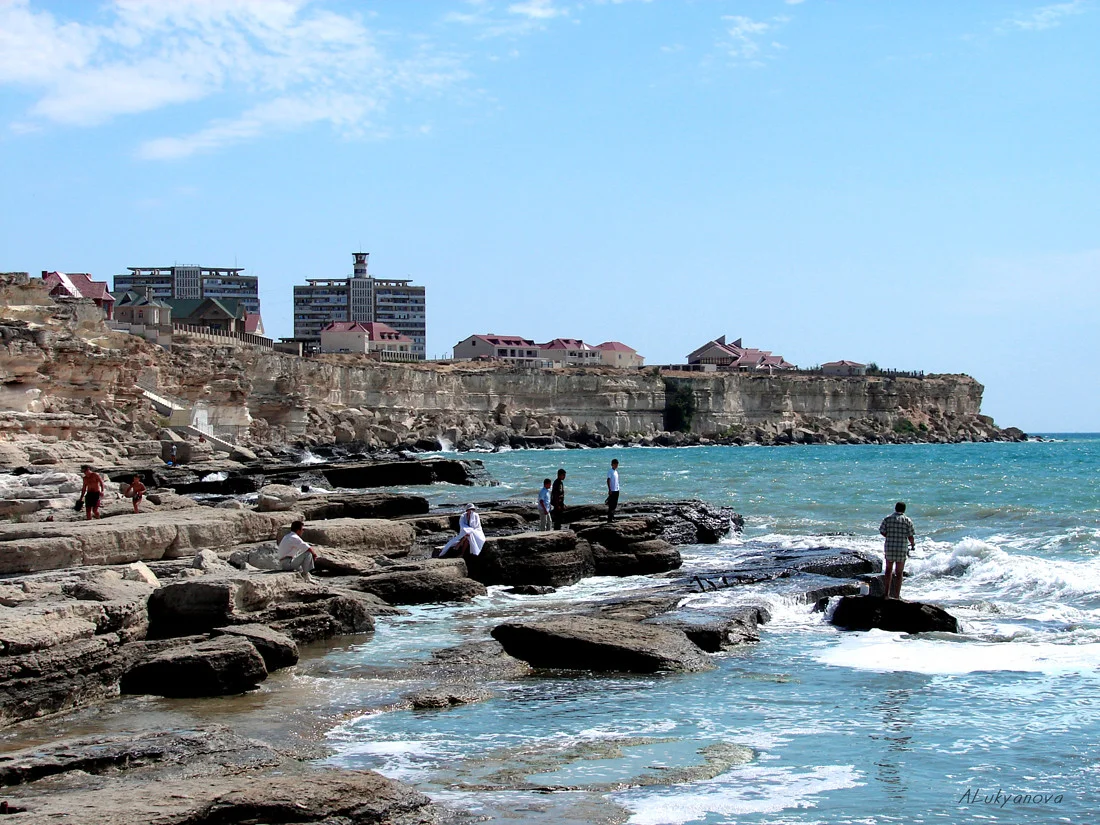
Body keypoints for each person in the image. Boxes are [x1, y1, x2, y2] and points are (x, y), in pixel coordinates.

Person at [879, 501, 915, 599]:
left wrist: (889, 536)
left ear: (895, 508)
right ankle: (896, 596)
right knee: (899, 573)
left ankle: (886, 594)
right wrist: (912, 544)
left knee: (888, 570)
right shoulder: (907, 520)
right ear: (904, 510)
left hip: (890, 547)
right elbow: (910, 536)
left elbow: (882, 531)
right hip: (901, 548)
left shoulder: (887, 519)